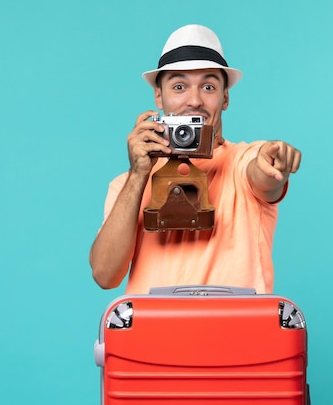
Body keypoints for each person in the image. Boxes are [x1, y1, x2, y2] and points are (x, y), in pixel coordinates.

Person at [89, 24, 301, 294]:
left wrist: (271, 163)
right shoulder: (127, 184)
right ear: (158, 95)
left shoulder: (241, 161)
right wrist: (139, 175)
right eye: (179, 86)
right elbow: (105, 275)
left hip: (236, 332)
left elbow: (261, 175)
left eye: (209, 87)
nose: (194, 101)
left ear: (225, 98)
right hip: (154, 334)